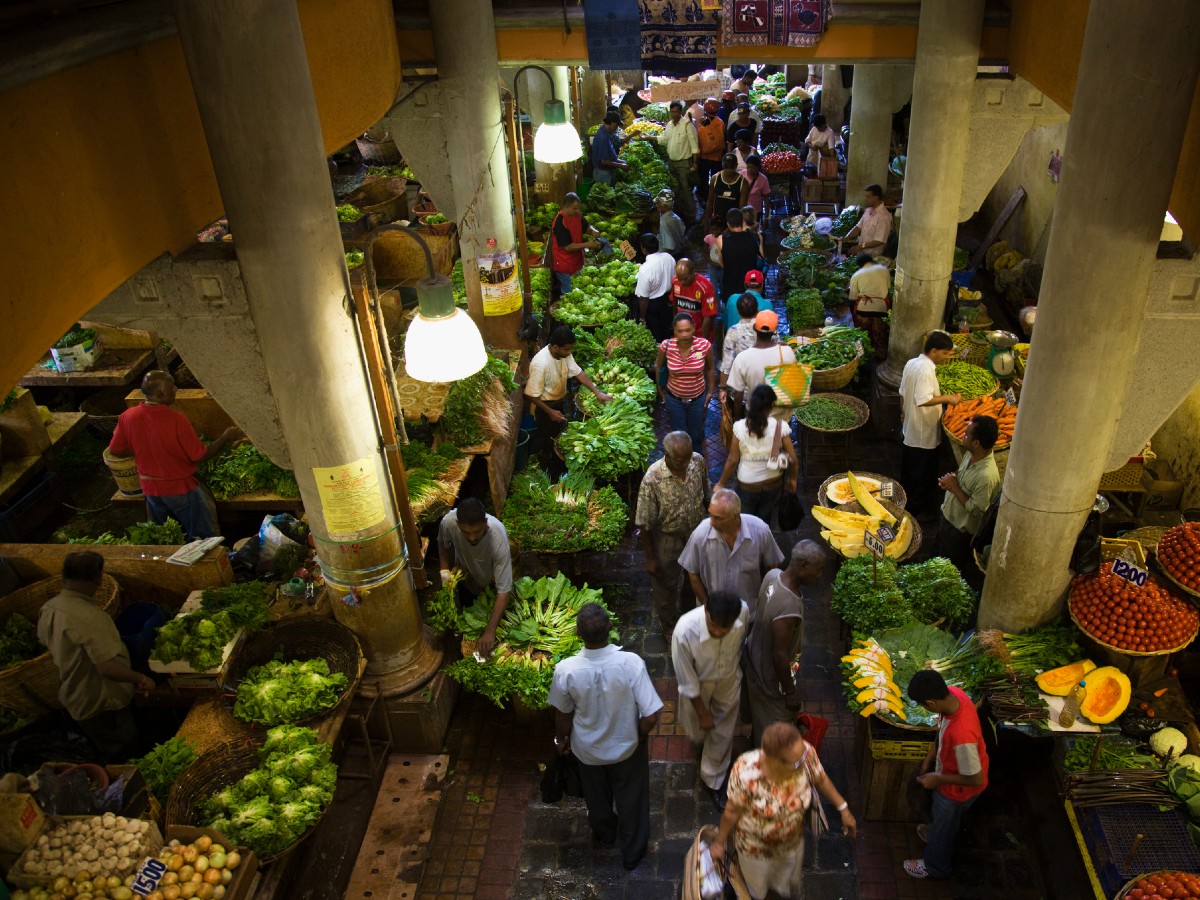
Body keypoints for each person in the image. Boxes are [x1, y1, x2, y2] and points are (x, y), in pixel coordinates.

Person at [550, 603, 662, 872]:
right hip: (626, 750)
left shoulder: (566, 670)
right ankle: (632, 853)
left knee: (596, 798)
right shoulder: (631, 664)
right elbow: (651, 715)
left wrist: (560, 741)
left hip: (587, 752)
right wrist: (639, 735)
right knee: (631, 799)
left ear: (579, 634)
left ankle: (606, 833)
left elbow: (562, 716)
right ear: (611, 629)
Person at [710, 722, 857, 899]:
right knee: (757, 887)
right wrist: (719, 843)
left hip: (791, 843)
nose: (803, 761)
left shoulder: (804, 753)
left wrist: (843, 808)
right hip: (755, 850)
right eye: (795, 762)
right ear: (772, 761)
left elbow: (820, 778)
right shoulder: (745, 772)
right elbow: (732, 812)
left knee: (784, 882)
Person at [37, 552, 154, 760]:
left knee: (108, 747)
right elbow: (107, 668)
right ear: (97, 578)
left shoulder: (49, 608)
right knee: (126, 749)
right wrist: (141, 679)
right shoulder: (89, 616)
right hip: (101, 704)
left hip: (76, 700)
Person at [107, 370, 242, 539]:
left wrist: (141, 450)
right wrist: (225, 438)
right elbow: (199, 456)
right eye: (172, 386)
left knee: (169, 535)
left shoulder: (128, 416)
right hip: (180, 489)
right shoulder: (176, 420)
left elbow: (115, 450)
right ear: (161, 394)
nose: (176, 389)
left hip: (150, 490)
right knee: (203, 538)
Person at [903, 669, 989, 880]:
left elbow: (975, 778)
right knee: (942, 822)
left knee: (945, 827)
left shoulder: (962, 735)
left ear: (931, 704)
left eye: (923, 704)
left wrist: (938, 779)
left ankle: (935, 866)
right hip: (950, 773)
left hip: (957, 790)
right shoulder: (954, 694)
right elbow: (941, 730)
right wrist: (929, 759)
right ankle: (934, 833)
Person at [671, 590, 749, 809]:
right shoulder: (684, 632)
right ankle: (701, 742)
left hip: (728, 678)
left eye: (725, 630)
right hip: (698, 684)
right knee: (697, 728)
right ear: (705, 610)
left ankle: (712, 780)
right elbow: (687, 681)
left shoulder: (743, 611)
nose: (719, 633)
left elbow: (741, 643)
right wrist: (703, 713)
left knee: (723, 730)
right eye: (714, 627)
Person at [744, 541, 823, 742]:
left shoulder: (772, 576)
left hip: (753, 662)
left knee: (759, 718)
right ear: (803, 565)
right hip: (770, 680)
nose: (820, 575)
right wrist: (790, 692)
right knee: (775, 733)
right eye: (818, 569)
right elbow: (779, 656)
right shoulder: (789, 607)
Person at [636, 432, 710, 635]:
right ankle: (669, 626)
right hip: (668, 539)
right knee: (665, 585)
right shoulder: (652, 479)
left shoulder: (698, 461)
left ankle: (687, 616)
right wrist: (650, 557)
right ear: (666, 455)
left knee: (694, 578)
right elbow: (644, 522)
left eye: (687, 458)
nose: (685, 463)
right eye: (680, 460)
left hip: (695, 534)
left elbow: (706, 492)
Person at [526, 326, 612, 476]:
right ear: (555, 347)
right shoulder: (540, 363)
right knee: (547, 439)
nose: (570, 352)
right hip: (544, 407)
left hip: (558, 401)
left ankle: (558, 465)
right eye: (567, 349)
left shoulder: (564, 355)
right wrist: (551, 412)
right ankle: (547, 468)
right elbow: (531, 395)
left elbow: (578, 372)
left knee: (559, 436)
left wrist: (597, 393)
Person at [680, 488, 784, 608]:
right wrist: (707, 606)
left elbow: (773, 571)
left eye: (718, 518)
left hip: (750, 611)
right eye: (710, 515)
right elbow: (692, 573)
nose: (712, 522)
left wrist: (767, 601)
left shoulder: (760, 531)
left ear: (735, 516)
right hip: (715, 613)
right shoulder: (700, 534)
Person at [437, 498, 513, 657]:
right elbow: (443, 543)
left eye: (477, 532)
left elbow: (504, 590)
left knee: (493, 621)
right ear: (458, 524)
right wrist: (444, 570)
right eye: (466, 532)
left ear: (486, 522)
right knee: (470, 614)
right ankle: (475, 654)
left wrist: (490, 631)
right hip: (466, 578)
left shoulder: (498, 537)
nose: (472, 538)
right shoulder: (448, 523)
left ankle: (487, 647)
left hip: (490, 581)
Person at [715, 384, 798, 525]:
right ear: (772, 405)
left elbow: (733, 460)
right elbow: (794, 460)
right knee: (763, 521)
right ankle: (761, 541)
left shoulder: (740, 427)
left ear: (751, 404)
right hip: (773, 484)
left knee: (745, 523)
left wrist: (721, 483)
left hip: (747, 484)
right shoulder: (780, 426)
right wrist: (793, 480)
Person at [899, 331, 962, 514]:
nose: (946, 357)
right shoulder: (926, 370)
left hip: (911, 426)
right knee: (922, 472)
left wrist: (903, 414)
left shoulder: (912, 363)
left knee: (910, 469)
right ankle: (916, 510)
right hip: (922, 431)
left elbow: (902, 393)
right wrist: (948, 398)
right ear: (933, 351)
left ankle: (906, 500)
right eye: (944, 353)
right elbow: (923, 399)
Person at [938, 416, 1002, 592]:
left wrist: (955, 487)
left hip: (959, 533)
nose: (962, 436)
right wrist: (951, 481)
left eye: (966, 435)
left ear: (977, 443)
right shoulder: (970, 454)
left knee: (948, 573)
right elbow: (961, 479)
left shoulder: (986, 476)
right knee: (937, 559)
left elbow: (977, 511)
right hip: (948, 517)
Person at [656, 314, 715, 453]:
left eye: (688, 330)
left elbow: (711, 369)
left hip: (698, 399)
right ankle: (681, 464)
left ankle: (697, 463)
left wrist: (710, 392)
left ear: (694, 328)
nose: (684, 334)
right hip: (674, 399)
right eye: (680, 331)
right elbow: (659, 367)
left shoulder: (704, 346)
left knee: (695, 436)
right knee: (679, 436)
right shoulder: (666, 346)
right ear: (674, 331)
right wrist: (660, 388)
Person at [727, 311, 798, 421]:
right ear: (775, 330)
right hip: (782, 418)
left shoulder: (742, 358)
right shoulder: (786, 351)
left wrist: (737, 420)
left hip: (756, 419)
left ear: (755, 328)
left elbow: (738, 396)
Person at [549, 192, 603, 295]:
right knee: (569, 294)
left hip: (576, 261)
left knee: (577, 289)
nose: (578, 211)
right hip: (564, 263)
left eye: (578, 208)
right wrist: (588, 244)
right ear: (566, 207)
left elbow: (586, 226)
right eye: (574, 208)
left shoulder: (577, 215)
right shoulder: (560, 222)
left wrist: (593, 230)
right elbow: (568, 247)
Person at [658, 101, 699, 222]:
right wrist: (650, 137)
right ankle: (678, 211)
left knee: (686, 188)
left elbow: (694, 146)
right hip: (672, 163)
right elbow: (664, 140)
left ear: (680, 112)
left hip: (684, 163)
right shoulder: (669, 125)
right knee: (675, 188)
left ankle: (691, 215)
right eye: (672, 112)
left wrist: (695, 163)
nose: (674, 114)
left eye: (676, 112)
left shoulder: (687, 125)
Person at [634, 233, 677, 342]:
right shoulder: (669, 257)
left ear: (643, 249)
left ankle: (661, 356)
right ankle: (668, 352)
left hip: (653, 306)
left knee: (656, 335)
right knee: (666, 331)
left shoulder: (645, 269)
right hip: (668, 301)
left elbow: (643, 298)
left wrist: (642, 317)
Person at [848, 252, 891, 357]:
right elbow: (888, 288)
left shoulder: (856, 275)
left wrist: (853, 313)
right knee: (880, 335)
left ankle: (861, 355)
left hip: (863, 309)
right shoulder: (884, 270)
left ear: (860, 265)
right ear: (872, 261)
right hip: (881, 309)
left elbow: (852, 298)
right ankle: (881, 355)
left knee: (861, 335)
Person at [719, 293, 760, 397]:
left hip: (740, 392)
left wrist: (722, 388)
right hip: (764, 390)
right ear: (757, 309)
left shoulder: (733, 331)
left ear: (738, 312)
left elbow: (727, 364)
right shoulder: (768, 329)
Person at [716, 211, 760, 303]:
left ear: (728, 224)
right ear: (742, 221)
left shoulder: (721, 240)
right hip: (750, 286)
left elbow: (721, 263)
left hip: (730, 287)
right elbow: (761, 258)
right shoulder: (755, 237)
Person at [671, 259, 718, 341]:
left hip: (699, 334)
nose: (682, 282)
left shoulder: (705, 287)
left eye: (685, 279)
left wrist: (702, 341)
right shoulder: (675, 281)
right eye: (680, 279)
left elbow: (708, 318)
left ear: (693, 272)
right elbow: (674, 302)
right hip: (682, 333)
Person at [843, 183, 893, 257]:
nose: (866, 199)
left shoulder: (884, 216)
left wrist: (860, 246)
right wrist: (847, 237)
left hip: (873, 257)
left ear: (876, 197)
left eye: (868, 197)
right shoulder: (868, 210)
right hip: (862, 254)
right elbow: (858, 227)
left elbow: (879, 240)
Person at [721, 268, 771, 333]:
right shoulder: (767, 305)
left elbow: (724, 323)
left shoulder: (732, 299)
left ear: (744, 284)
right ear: (762, 285)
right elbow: (770, 333)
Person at [704, 155, 746, 230]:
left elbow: (742, 207)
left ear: (736, 166)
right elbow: (710, 201)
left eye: (731, 167)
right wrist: (707, 220)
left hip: (733, 223)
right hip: (718, 222)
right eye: (726, 167)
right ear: (722, 165)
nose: (728, 170)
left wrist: (736, 225)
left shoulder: (743, 182)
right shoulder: (715, 178)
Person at [694, 98, 727, 188]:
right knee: (716, 179)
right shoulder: (720, 122)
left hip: (703, 156)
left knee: (703, 179)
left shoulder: (701, 122)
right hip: (717, 156)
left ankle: (703, 195)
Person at [591, 112, 628, 185]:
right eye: (616, 125)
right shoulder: (603, 137)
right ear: (611, 122)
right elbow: (604, 161)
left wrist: (621, 161)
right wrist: (621, 166)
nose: (617, 127)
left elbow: (610, 156)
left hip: (605, 172)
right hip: (603, 174)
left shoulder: (605, 131)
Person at [655, 191, 686, 258]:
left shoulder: (663, 222)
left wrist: (661, 258)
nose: (656, 205)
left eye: (658, 204)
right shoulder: (676, 217)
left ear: (665, 207)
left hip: (671, 256)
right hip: (679, 251)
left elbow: (669, 247)